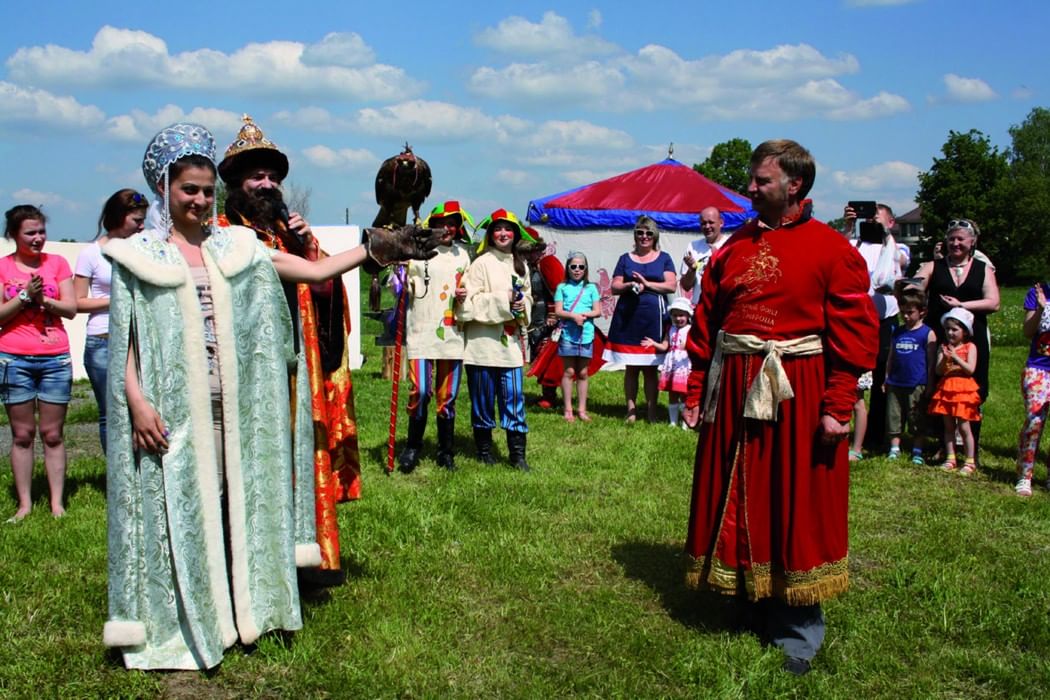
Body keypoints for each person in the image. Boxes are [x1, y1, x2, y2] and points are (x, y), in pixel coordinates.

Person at [103, 122, 438, 669]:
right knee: (182, 512)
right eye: (189, 189)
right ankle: (185, 620)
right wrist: (136, 401)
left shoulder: (238, 246)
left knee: (238, 504)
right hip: (168, 410)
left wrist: (382, 247)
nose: (200, 200)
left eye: (207, 191)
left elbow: (314, 269)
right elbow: (128, 344)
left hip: (233, 407)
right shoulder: (138, 256)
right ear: (166, 189)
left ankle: (242, 612)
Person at [682, 140, 877, 674]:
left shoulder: (833, 250)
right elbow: (706, 323)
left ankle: (796, 630)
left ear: (795, 186)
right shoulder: (732, 246)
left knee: (795, 500)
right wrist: (697, 390)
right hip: (736, 387)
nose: (749, 188)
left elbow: (856, 335)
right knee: (741, 490)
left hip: (799, 389)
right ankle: (748, 599)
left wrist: (838, 405)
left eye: (761, 180)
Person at [218, 115, 361, 582]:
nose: (267, 184)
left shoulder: (294, 233)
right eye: (256, 176)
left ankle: (306, 556)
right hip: (247, 366)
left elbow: (326, 292)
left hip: (300, 366)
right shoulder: (222, 231)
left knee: (301, 454)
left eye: (274, 177)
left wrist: (304, 245)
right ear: (236, 184)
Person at [1, 205, 77, 523]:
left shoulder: (57, 264)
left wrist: (44, 300)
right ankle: (25, 504)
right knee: (22, 434)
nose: (38, 238)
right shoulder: (3, 267)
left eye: (41, 231)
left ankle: (57, 503)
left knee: (52, 434)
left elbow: (71, 308)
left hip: (55, 358)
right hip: (13, 358)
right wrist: (23, 297)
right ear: (14, 235)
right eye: (30, 233)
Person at [913, 219, 999, 460]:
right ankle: (944, 444)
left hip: (973, 338)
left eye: (961, 239)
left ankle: (971, 445)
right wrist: (912, 286)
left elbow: (994, 302)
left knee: (975, 385)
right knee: (942, 386)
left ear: (973, 242)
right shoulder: (934, 266)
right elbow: (915, 285)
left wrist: (962, 305)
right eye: (952, 238)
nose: (956, 243)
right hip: (941, 336)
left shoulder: (983, 269)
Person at [397, 200, 474, 472]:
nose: (446, 229)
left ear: (458, 227)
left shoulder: (463, 256)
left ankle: (445, 451)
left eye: (452, 223)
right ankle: (412, 447)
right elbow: (401, 283)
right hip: (420, 331)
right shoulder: (417, 253)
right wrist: (401, 274)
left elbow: (472, 289)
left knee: (447, 395)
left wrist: (467, 294)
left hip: (452, 334)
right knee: (420, 390)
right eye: (441, 224)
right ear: (432, 226)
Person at [458, 209, 534, 470]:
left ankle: (517, 455)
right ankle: (484, 451)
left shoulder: (520, 265)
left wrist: (522, 305)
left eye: (508, 229)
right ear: (491, 235)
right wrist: (504, 301)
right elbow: (468, 303)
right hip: (481, 344)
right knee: (482, 399)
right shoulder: (480, 264)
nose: (503, 234)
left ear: (515, 234)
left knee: (514, 396)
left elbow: (528, 298)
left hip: (509, 345)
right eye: (498, 229)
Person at [74, 189, 148, 451]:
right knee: (111, 413)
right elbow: (77, 302)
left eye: (143, 220)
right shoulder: (91, 254)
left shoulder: (142, 250)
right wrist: (116, 300)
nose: (141, 226)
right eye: (136, 220)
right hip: (102, 340)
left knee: (141, 410)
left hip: (138, 340)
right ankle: (115, 480)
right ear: (119, 217)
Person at [604, 215, 677, 423]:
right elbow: (615, 286)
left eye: (648, 233)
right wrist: (629, 285)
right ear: (635, 235)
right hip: (628, 316)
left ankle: (652, 410)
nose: (644, 237)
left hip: (653, 317)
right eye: (640, 233)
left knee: (650, 367)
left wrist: (648, 284)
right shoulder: (625, 258)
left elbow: (671, 285)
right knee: (631, 366)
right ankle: (631, 410)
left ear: (655, 236)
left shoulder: (664, 257)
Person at [842, 202, 902, 454]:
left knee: (882, 378)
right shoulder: (856, 245)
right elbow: (837, 255)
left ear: (890, 222)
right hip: (857, 320)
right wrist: (847, 227)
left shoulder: (896, 248)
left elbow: (894, 267)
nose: (870, 221)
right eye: (867, 218)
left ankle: (880, 434)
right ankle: (853, 431)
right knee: (857, 379)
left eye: (876, 218)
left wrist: (885, 235)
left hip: (884, 319)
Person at [883, 289, 936, 463]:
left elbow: (931, 361)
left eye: (910, 312)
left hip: (917, 383)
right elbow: (891, 356)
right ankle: (894, 448)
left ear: (922, 312)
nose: (906, 316)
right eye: (903, 312)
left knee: (917, 418)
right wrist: (886, 377)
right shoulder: (897, 332)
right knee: (894, 416)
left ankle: (917, 449)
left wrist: (929, 383)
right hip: (896, 381)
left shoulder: (927, 333)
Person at [928, 308, 981, 474]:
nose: (950, 333)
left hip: (963, 390)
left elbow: (970, 369)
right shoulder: (943, 347)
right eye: (947, 329)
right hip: (947, 389)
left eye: (954, 329)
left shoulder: (970, 347)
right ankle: (950, 458)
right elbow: (938, 370)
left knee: (964, 427)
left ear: (964, 332)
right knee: (948, 426)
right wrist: (944, 358)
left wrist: (956, 357)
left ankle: (969, 460)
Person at [553, 251, 601, 423]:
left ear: (586, 269)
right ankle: (568, 409)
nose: (577, 270)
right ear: (568, 268)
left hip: (586, 334)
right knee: (569, 371)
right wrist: (573, 316)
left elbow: (598, 310)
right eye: (573, 266)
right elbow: (558, 311)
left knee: (582, 372)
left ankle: (581, 409)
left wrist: (584, 315)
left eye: (581, 267)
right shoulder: (562, 287)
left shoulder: (591, 288)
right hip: (568, 333)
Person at [1016, 281, 1050, 496]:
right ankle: (1024, 475)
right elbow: (1028, 331)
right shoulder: (1038, 292)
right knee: (1034, 422)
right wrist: (1040, 308)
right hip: (1038, 368)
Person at [642, 297, 692, 428]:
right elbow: (665, 346)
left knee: (684, 393)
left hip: (684, 364)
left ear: (687, 315)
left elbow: (694, 345)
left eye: (681, 315)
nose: (678, 318)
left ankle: (685, 423)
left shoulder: (690, 330)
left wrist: (687, 346)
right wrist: (653, 343)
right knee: (672, 393)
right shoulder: (670, 329)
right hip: (672, 364)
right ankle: (673, 421)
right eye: (675, 315)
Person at [680, 207, 729, 306]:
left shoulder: (730, 245)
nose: (707, 226)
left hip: (722, 307)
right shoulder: (693, 247)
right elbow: (686, 286)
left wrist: (717, 259)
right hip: (699, 306)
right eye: (703, 223)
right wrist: (692, 270)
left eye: (711, 222)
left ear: (721, 223)